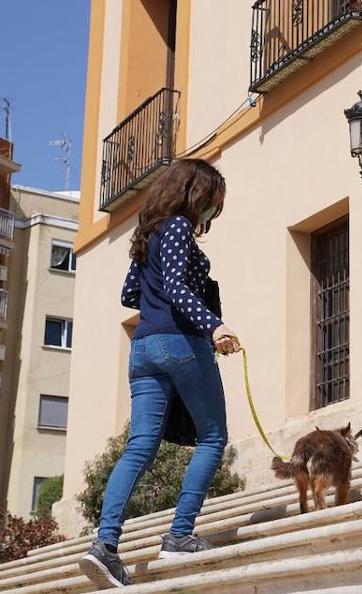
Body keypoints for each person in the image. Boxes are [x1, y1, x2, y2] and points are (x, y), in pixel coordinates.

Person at [79, 158, 240, 589]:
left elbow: (131, 292)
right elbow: (175, 288)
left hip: (143, 349)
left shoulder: (147, 235)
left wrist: (169, 298)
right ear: (197, 194)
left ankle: (105, 546)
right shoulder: (178, 229)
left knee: (139, 448)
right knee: (212, 437)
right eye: (212, 203)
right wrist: (214, 325)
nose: (211, 214)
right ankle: (180, 534)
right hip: (180, 344)